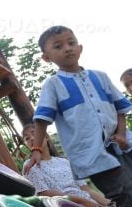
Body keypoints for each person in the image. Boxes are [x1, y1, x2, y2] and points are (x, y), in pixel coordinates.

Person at [24, 25, 132, 207]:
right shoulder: (53, 85)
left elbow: (120, 108)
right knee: (123, 193)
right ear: (46, 57)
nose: (67, 48)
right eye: (58, 46)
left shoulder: (101, 77)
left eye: (71, 43)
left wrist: (121, 134)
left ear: (80, 48)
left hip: (122, 146)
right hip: (91, 155)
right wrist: (36, 149)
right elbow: (41, 119)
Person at [21, 123, 110, 207]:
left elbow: (87, 190)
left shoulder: (65, 162)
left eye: (34, 133)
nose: (32, 138)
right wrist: (84, 202)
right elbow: (44, 194)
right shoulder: (30, 166)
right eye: (27, 138)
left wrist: (110, 204)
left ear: (46, 137)